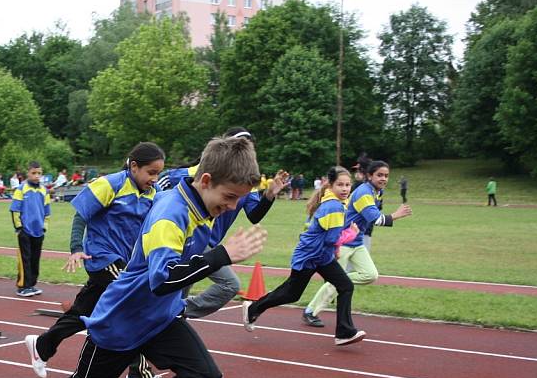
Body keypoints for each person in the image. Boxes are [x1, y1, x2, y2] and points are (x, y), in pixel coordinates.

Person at [4, 136, 267, 378]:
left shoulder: (203, 200)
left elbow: (207, 170)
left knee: (204, 374)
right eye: (230, 197)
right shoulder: (169, 214)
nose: (233, 206)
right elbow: (163, 278)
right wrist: (222, 255)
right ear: (206, 182)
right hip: (122, 321)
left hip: (161, 318)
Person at [24, 143, 168, 378]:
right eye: (151, 172)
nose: (154, 179)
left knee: (84, 311)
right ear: (134, 166)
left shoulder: (151, 194)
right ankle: (139, 374)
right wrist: (76, 248)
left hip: (125, 262)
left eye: (158, 174)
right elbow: (82, 215)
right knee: (133, 304)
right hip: (103, 258)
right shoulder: (110, 184)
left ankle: (43, 345)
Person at [159, 127, 284, 319]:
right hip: (191, 238)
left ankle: (174, 315)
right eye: (229, 196)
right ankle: (175, 314)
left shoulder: (243, 183)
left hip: (208, 242)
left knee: (179, 289)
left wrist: (268, 195)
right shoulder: (197, 173)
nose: (233, 206)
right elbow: (160, 183)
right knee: (227, 284)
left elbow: (254, 216)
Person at [242, 166, 365, 346]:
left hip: (321, 257)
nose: (345, 189)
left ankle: (344, 332)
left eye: (348, 185)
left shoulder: (336, 204)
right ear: (330, 185)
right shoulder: (333, 206)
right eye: (340, 185)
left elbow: (328, 238)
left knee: (345, 286)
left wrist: (335, 248)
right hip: (308, 257)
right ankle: (253, 308)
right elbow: (332, 238)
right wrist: (351, 235)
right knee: (291, 294)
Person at [302, 161, 412, 328]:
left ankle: (339, 285)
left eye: (386, 175)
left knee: (370, 274)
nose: (383, 178)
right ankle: (310, 311)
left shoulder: (376, 191)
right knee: (336, 280)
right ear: (369, 176)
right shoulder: (363, 193)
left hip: (357, 241)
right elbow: (375, 219)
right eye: (379, 175)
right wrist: (397, 215)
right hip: (342, 241)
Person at [11, 161, 50, 297]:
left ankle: (32, 284)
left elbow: (47, 211)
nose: (36, 176)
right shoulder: (21, 189)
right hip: (25, 231)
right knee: (25, 259)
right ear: (28, 173)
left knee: (35, 258)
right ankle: (23, 286)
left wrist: (44, 227)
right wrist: (19, 227)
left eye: (39, 173)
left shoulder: (44, 190)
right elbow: (15, 210)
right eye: (33, 173)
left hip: (38, 231)